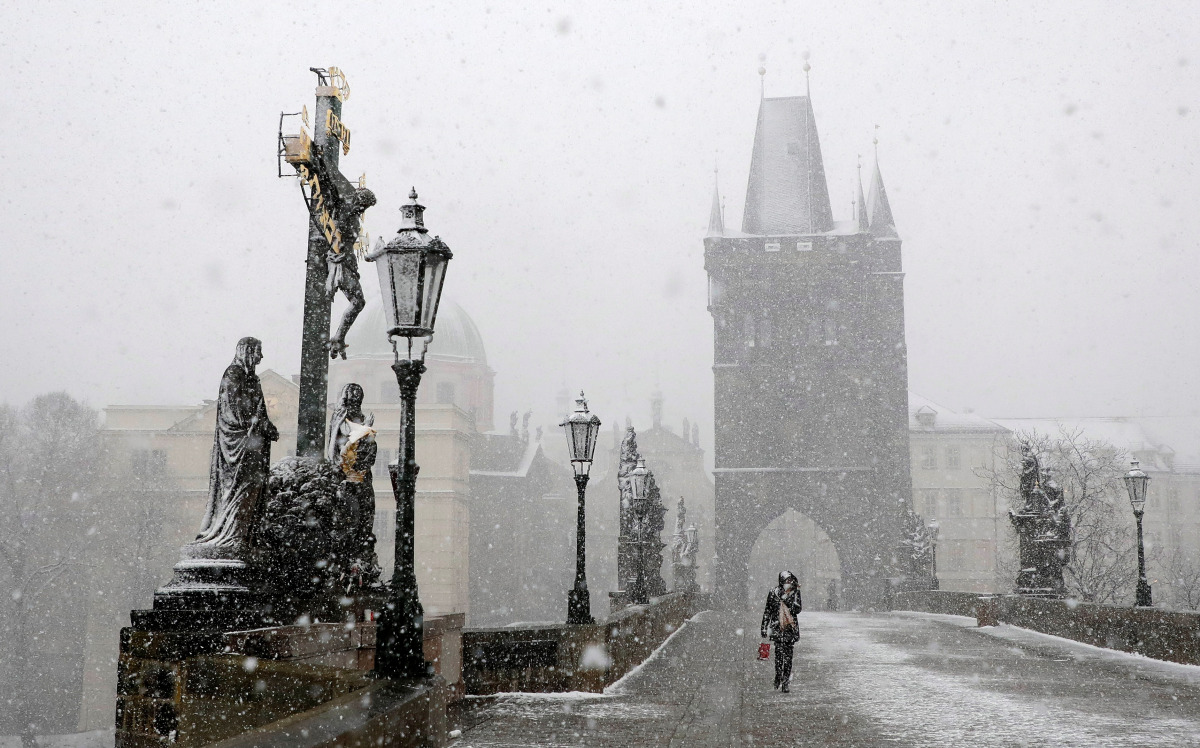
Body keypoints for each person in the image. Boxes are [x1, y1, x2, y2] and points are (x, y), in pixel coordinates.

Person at [192, 337, 279, 556]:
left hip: (253, 447)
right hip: (238, 448)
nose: (260, 357)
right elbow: (234, 412)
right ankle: (232, 535)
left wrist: (267, 426)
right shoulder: (233, 376)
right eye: (257, 352)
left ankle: (245, 535)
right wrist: (256, 423)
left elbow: (258, 412)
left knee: (253, 490)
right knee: (239, 490)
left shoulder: (253, 379)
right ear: (246, 351)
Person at [760, 570, 803, 692]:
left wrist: (789, 599)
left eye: (790, 580)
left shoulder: (795, 593)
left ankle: (785, 682)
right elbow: (768, 611)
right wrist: (764, 627)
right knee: (779, 656)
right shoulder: (773, 593)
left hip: (790, 629)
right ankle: (778, 675)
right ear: (781, 581)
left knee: (788, 658)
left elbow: (797, 609)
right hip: (777, 628)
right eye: (786, 580)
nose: (788, 582)